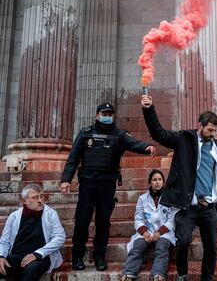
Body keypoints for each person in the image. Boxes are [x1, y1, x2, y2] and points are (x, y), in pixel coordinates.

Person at [141, 95, 217, 281]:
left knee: (212, 246)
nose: (212, 133)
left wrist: (216, 196)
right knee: (183, 242)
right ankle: (182, 274)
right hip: (186, 205)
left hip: (208, 207)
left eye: (215, 130)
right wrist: (149, 110)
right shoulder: (184, 139)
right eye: (210, 130)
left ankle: (207, 277)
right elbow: (159, 134)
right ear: (200, 125)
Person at [60, 102, 156, 271]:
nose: (107, 117)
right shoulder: (85, 134)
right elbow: (73, 159)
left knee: (103, 221)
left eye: (110, 114)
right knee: (82, 221)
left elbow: (134, 143)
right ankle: (77, 256)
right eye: (104, 114)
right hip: (87, 183)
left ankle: (99, 256)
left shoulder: (119, 135)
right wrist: (65, 180)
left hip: (107, 183)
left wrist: (147, 147)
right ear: (97, 115)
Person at [0, 184, 65, 280]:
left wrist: (37, 254)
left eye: (41, 196)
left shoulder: (50, 214)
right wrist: (1, 256)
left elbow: (60, 237)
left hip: (40, 258)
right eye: (35, 197)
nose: (40, 200)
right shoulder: (14, 216)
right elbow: (4, 241)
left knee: (31, 270)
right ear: (24, 201)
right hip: (16, 257)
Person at [122, 170, 178, 281]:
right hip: (147, 232)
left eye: (160, 180)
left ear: (163, 182)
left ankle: (158, 274)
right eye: (154, 180)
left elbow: (171, 220)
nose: (157, 182)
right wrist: (144, 232)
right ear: (150, 182)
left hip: (164, 233)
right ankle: (129, 273)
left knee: (162, 248)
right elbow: (138, 219)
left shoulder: (169, 198)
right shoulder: (142, 199)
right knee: (137, 246)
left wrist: (159, 232)